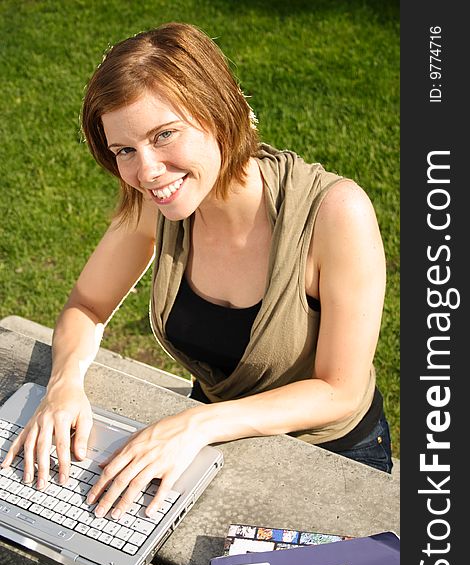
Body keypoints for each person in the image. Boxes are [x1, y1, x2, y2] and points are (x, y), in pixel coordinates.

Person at [2, 22, 393, 522]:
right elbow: (88, 305)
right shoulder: (157, 203)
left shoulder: (335, 213)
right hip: (211, 435)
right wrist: (64, 385)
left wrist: (195, 424)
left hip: (329, 458)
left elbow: (338, 391)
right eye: (124, 150)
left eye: (164, 135)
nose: (146, 171)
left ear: (220, 111)